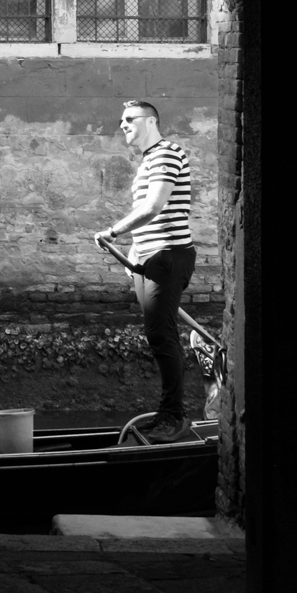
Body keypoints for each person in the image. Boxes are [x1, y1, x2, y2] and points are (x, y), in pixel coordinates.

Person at [94, 99, 196, 443]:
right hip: (149, 259)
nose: (123, 124)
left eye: (130, 119)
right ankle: (167, 413)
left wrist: (113, 232)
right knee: (157, 335)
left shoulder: (166, 153)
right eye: (121, 120)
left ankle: (175, 418)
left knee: (162, 335)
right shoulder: (149, 160)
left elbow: (153, 207)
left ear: (151, 121)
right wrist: (135, 251)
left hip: (168, 256)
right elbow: (150, 216)